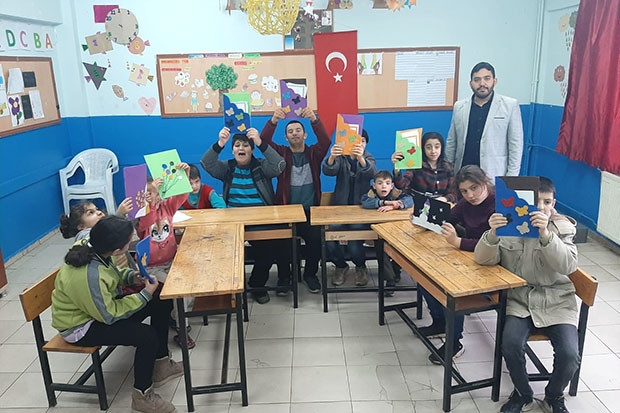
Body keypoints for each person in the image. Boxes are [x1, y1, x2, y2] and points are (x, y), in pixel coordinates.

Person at [51, 215, 183, 413]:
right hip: (81, 327)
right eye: (129, 243)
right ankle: (142, 396)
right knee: (146, 336)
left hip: (96, 310)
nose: (131, 244)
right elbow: (109, 315)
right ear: (116, 250)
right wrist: (144, 295)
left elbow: (111, 273)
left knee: (160, 301)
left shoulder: (94, 246)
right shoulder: (90, 276)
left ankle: (161, 365)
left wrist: (132, 276)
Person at [475, 177, 579, 413]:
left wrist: (545, 235)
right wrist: (492, 233)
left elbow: (568, 265)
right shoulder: (510, 224)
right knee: (510, 344)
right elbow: (482, 259)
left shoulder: (562, 228)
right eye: (536, 202)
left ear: (553, 204)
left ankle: (554, 396)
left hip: (557, 300)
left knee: (569, 354)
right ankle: (523, 394)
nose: (541, 208)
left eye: (547, 202)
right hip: (519, 300)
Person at [417, 165, 496, 364]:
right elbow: (448, 218)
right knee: (423, 275)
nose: (470, 195)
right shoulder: (466, 203)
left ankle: (454, 342)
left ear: (485, 182)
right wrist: (422, 219)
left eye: (474, 188)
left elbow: (497, 245)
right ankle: (440, 323)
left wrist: (457, 242)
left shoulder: (500, 204)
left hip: (494, 265)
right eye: (464, 191)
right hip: (471, 258)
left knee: (451, 289)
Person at [201, 127, 286, 304]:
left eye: (246, 145)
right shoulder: (227, 168)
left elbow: (280, 165)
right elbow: (206, 163)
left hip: (261, 221)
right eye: (237, 145)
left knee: (268, 251)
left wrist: (261, 143)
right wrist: (220, 143)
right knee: (225, 251)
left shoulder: (261, 166)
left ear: (252, 150)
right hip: (232, 221)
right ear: (233, 150)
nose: (241, 148)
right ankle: (231, 287)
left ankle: (257, 285)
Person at [260, 107, 331, 293]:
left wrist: (314, 119)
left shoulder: (314, 153)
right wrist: (273, 121)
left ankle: (310, 275)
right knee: (282, 241)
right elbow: (263, 142)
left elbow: (325, 141)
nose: (294, 133)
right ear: (286, 137)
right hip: (286, 212)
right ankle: (285, 277)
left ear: (305, 135)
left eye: (298, 130)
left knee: (315, 240)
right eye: (290, 131)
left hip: (309, 212)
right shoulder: (280, 154)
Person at [136, 162, 196, 349]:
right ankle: (182, 328)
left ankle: (177, 317)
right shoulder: (141, 215)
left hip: (171, 261)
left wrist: (185, 175)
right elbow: (147, 221)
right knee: (178, 289)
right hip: (151, 267)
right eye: (149, 193)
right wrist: (150, 203)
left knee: (189, 285)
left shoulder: (167, 208)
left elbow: (182, 195)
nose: (154, 196)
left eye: (156, 191)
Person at [445, 61, 524, 179]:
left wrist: (511, 177)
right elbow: (452, 141)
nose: (482, 83)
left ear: (494, 81)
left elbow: (516, 145)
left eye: (487, 78)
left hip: (494, 174)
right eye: (477, 80)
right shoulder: (459, 106)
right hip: (463, 173)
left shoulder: (510, 105)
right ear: (471, 84)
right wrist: (448, 170)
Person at [322, 129, 377, 286]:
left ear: (366, 144)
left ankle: (360, 266)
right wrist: (332, 156)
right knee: (330, 235)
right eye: (356, 140)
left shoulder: (368, 157)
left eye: (363, 141)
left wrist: (361, 159)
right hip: (340, 209)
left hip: (360, 211)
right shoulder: (341, 156)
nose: (359, 144)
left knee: (355, 239)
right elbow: (328, 171)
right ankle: (340, 266)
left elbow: (372, 174)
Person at [361, 170, 413, 296]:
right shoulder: (371, 194)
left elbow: (409, 200)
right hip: (379, 233)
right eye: (380, 183)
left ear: (392, 185)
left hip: (396, 232)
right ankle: (390, 280)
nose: (384, 186)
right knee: (381, 250)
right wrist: (384, 203)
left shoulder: (396, 193)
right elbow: (365, 202)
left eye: (387, 183)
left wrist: (395, 206)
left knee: (400, 248)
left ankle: (396, 271)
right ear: (374, 186)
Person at [392, 131, 457, 203]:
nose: (433, 151)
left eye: (437, 147)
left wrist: (445, 199)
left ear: (442, 148)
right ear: (423, 148)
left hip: (439, 205)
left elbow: (453, 193)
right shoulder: (416, 165)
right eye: (428, 147)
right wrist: (397, 169)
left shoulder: (448, 167)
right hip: (417, 203)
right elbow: (401, 185)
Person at [59, 198, 133, 241]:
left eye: (97, 209)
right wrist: (119, 215)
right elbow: (105, 236)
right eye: (91, 213)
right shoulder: (84, 237)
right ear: (81, 226)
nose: (99, 212)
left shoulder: (102, 229)